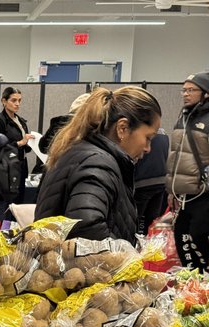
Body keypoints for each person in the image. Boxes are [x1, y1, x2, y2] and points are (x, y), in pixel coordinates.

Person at [34, 86, 162, 244]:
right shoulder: (97, 163)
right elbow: (87, 229)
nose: (148, 148)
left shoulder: (82, 152)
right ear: (122, 128)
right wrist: (127, 255)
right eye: (148, 138)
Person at [166, 72, 209, 271]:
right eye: (183, 90)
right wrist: (171, 189)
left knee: (199, 236)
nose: (185, 94)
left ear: (206, 93)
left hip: (203, 194)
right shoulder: (183, 117)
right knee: (182, 239)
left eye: (191, 90)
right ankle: (192, 282)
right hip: (182, 195)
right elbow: (176, 155)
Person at [32, 92, 90, 174]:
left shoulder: (58, 123)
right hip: (72, 172)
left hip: (53, 171)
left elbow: (43, 147)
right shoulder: (86, 127)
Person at [0, 87, 33, 201]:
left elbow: (25, 147)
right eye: (13, 100)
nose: (17, 104)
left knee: (19, 201)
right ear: (4, 101)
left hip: (21, 165)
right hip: (7, 168)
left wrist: (30, 143)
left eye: (19, 100)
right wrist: (20, 143)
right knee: (9, 202)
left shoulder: (21, 121)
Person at [134, 127, 169, 234]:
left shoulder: (141, 133)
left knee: (136, 217)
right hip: (161, 181)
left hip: (143, 181)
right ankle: (149, 240)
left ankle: (134, 240)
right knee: (153, 218)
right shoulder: (164, 135)